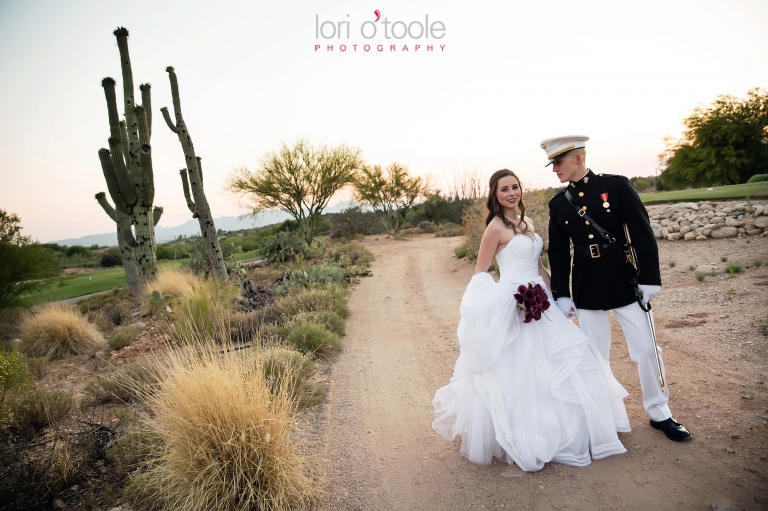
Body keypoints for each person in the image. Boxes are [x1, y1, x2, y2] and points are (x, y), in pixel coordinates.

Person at [432, 169, 631, 472]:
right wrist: (500, 306)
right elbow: (481, 275)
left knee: (571, 360)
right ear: (494, 195)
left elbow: (537, 266)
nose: (511, 193)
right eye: (504, 189)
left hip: (540, 301)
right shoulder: (495, 228)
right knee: (520, 371)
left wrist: (560, 296)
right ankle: (527, 432)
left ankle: (577, 427)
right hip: (513, 305)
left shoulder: (527, 223)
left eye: (515, 187)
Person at [543, 135, 691, 442]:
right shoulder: (558, 204)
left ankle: (659, 412)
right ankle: (604, 416)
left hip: (624, 278)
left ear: (577, 159)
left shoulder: (617, 186)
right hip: (586, 284)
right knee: (596, 355)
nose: (554, 169)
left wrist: (650, 278)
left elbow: (641, 233)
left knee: (647, 348)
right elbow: (557, 254)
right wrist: (562, 294)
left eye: (558, 162)